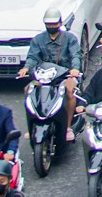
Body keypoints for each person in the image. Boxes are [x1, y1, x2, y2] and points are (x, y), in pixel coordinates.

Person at [17, 8, 81, 140]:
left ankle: (68, 127)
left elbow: (75, 56)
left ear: (60, 23)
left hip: (64, 75)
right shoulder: (38, 39)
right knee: (28, 90)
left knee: (70, 92)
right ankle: (32, 125)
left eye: (54, 23)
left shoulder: (70, 39)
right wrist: (26, 68)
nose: (51, 26)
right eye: (49, 24)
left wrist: (74, 69)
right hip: (44, 77)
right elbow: (32, 57)